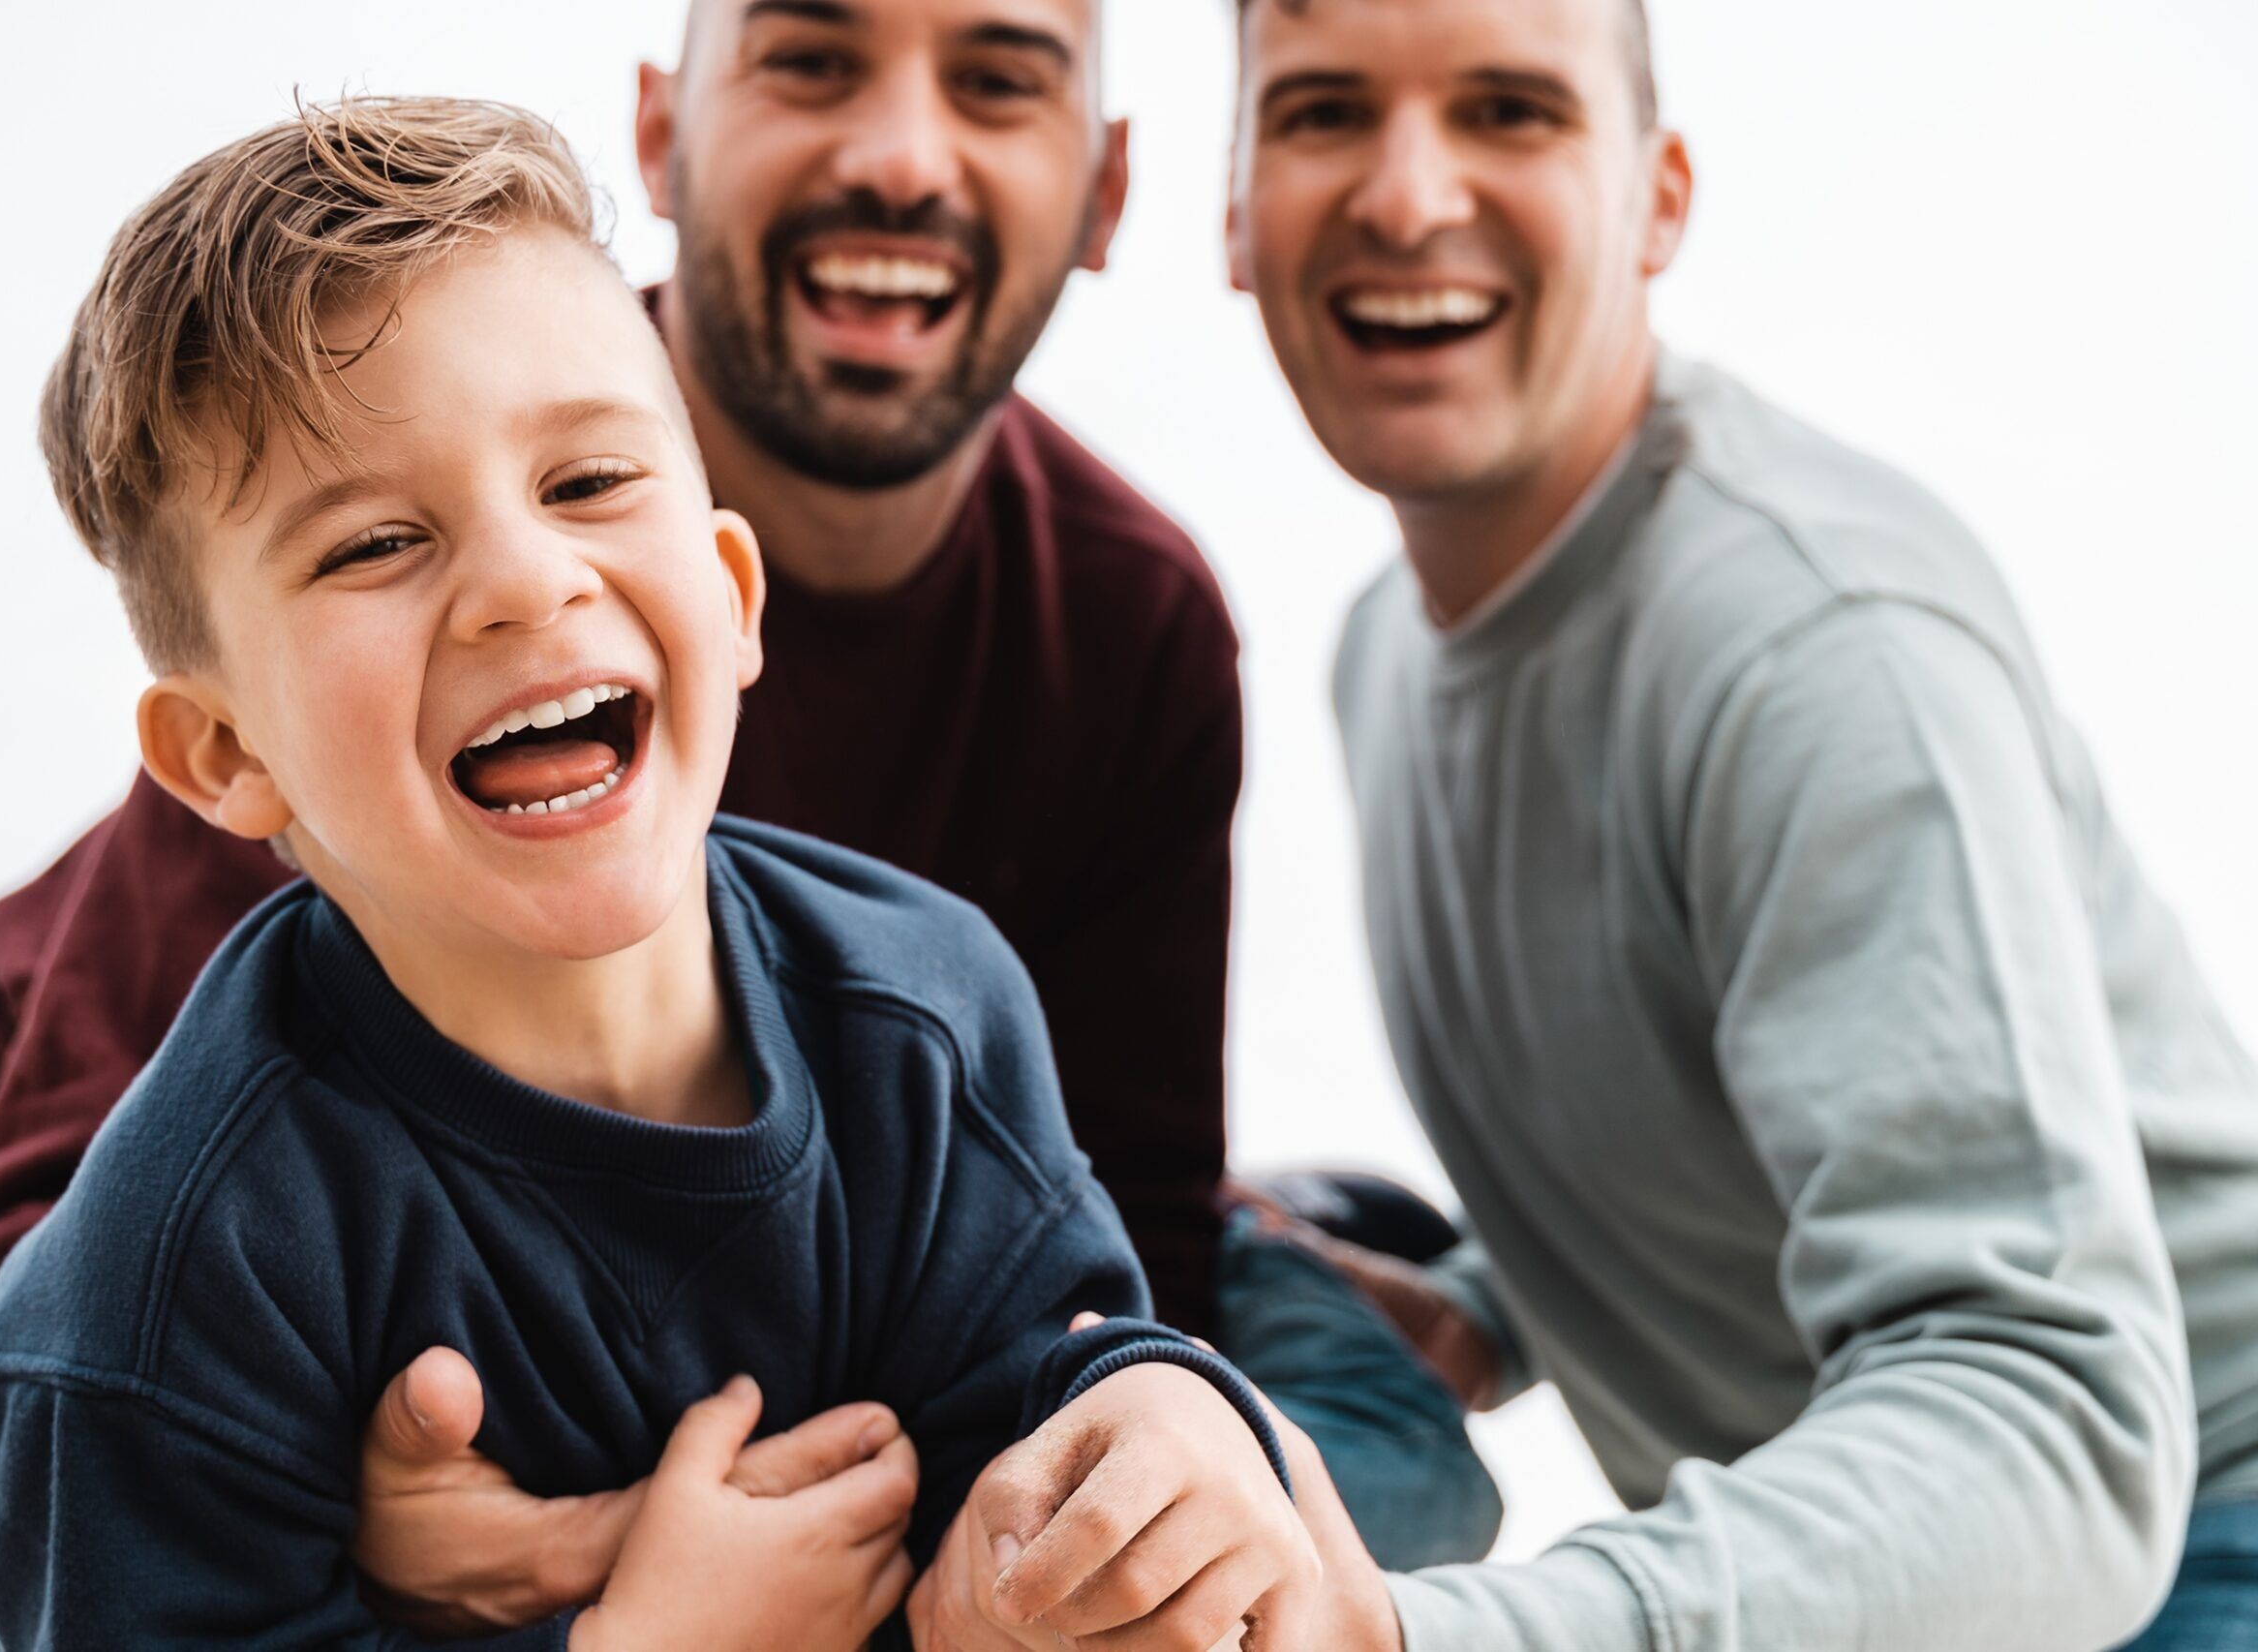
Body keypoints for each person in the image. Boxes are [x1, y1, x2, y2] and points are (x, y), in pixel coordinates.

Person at [0, 5, 1498, 1639]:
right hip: (52, 1224)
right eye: (375, 546)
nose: (523, 578)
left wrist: (1154, 1419)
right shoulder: (165, 1268)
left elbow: (1076, 1310)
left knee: (1312, 1493)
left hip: (774, 1272)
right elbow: (54, 1373)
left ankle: (1287, 1235)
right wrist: (549, 1604)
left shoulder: (974, 907)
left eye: (585, 487)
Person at [961, 0, 2256, 1647]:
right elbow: (1757, 1094)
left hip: (2187, 1534)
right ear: (1232, 206)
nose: (1410, 194)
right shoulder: (1385, 653)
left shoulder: (1821, 648)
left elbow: (2062, 1415)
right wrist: (1496, 1306)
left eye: (1509, 109)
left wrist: (1431, 1636)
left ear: (1661, 195)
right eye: (1325, 111)